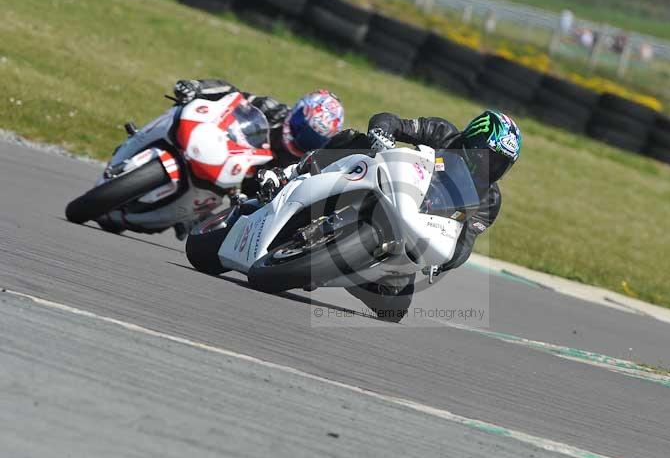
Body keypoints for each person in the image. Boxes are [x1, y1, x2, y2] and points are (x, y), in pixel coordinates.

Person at [261, 110, 522, 321]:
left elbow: (466, 241)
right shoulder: (443, 133)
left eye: (501, 164)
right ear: (471, 141)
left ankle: (336, 268)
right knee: (355, 140)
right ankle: (290, 173)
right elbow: (394, 122)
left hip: (412, 232)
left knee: (395, 308)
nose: (492, 167)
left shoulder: (489, 200)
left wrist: (448, 260)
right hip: (387, 186)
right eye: (489, 157)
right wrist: (383, 130)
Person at [172, 79, 345, 169]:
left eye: (311, 138)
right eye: (301, 125)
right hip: (217, 155)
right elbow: (232, 94)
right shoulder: (271, 109)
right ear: (297, 110)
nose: (299, 136)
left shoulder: (305, 164)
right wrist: (198, 87)